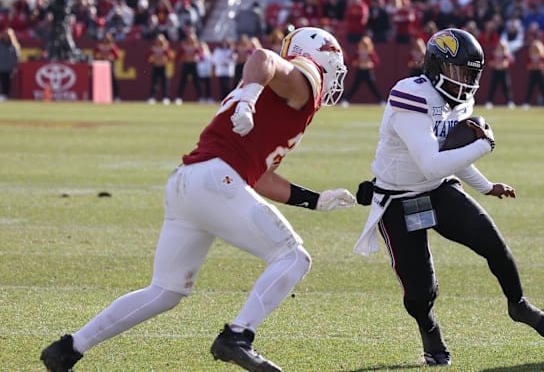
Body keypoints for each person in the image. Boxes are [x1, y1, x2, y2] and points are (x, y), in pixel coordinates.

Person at [40, 27, 356, 372]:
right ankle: (237, 337)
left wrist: (314, 199)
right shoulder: (301, 82)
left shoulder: (282, 99)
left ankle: (68, 349)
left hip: (189, 182)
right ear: (323, 57)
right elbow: (263, 57)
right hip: (215, 181)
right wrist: (249, 96)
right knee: (294, 258)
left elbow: (260, 177)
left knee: (165, 291)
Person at [354, 28, 544, 368]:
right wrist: (483, 146)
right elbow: (431, 162)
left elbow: (451, 154)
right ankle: (428, 327)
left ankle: (519, 305)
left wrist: (485, 186)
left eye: (470, 74)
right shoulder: (411, 95)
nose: (463, 81)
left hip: (438, 189)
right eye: (457, 72)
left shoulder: (460, 99)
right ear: (436, 66)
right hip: (398, 199)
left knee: (493, 243)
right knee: (421, 291)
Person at [340, 35, 384, 106]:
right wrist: (358, 63)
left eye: (365, 44)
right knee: (354, 86)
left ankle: (381, 101)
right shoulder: (358, 53)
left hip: (368, 71)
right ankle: (346, 100)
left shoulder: (371, 53)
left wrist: (370, 64)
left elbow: (376, 62)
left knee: (373, 87)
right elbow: (352, 61)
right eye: (363, 44)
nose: (364, 46)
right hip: (360, 71)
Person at [173, 31, 202, 105]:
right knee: (183, 81)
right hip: (186, 64)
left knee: (197, 81)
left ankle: (200, 98)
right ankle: (178, 97)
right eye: (189, 39)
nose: (190, 40)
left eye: (192, 39)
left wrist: (197, 57)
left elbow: (201, 55)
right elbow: (178, 56)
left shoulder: (196, 47)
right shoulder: (184, 47)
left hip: (193, 64)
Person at [484, 39, 515, 109]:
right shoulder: (494, 53)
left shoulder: (506, 54)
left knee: (506, 86)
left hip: (503, 72)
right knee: (493, 87)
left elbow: (507, 63)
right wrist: (497, 63)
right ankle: (489, 101)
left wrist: (500, 63)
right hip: (496, 71)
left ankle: (510, 102)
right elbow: (490, 63)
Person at [522, 39, 544, 108]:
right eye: (533, 47)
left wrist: (541, 66)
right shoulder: (530, 56)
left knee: (543, 88)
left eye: (536, 48)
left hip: (540, 73)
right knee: (530, 88)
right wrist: (532, 65)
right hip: (533, 73)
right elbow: (526, 65)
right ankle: (526, 102)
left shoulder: (543, 56)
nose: (535, 49)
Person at [147, 33, 174, 105]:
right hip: (155, 66)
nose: (159, 42)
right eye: (158, 40)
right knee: (154, 83)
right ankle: (152, 98)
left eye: (161, 41)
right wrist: (153, 60)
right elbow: (147, 57)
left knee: (165, 83)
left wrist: (165, 55)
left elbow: (171, 57)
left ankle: (165, 98)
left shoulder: (165, 48)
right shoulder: (153, 48)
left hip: (163, 66)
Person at [93, 33, 121, 102]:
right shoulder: (99, 46)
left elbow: (117, 56)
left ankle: (117, 97)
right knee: (100, 81)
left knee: (113, 80)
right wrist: (101, 56)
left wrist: (111, 57)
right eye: (105, 39)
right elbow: (94, 55)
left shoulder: (112, 47)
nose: (106, 40)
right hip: (101, 66)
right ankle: (100, 96)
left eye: (108, 39)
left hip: (110, 65)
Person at [0, 28, 20, 102]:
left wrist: (14, 66)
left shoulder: (14, 46)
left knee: (6, 82)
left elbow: (16, 57)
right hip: (0, 66)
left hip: (8, 68)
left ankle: (4, 96)